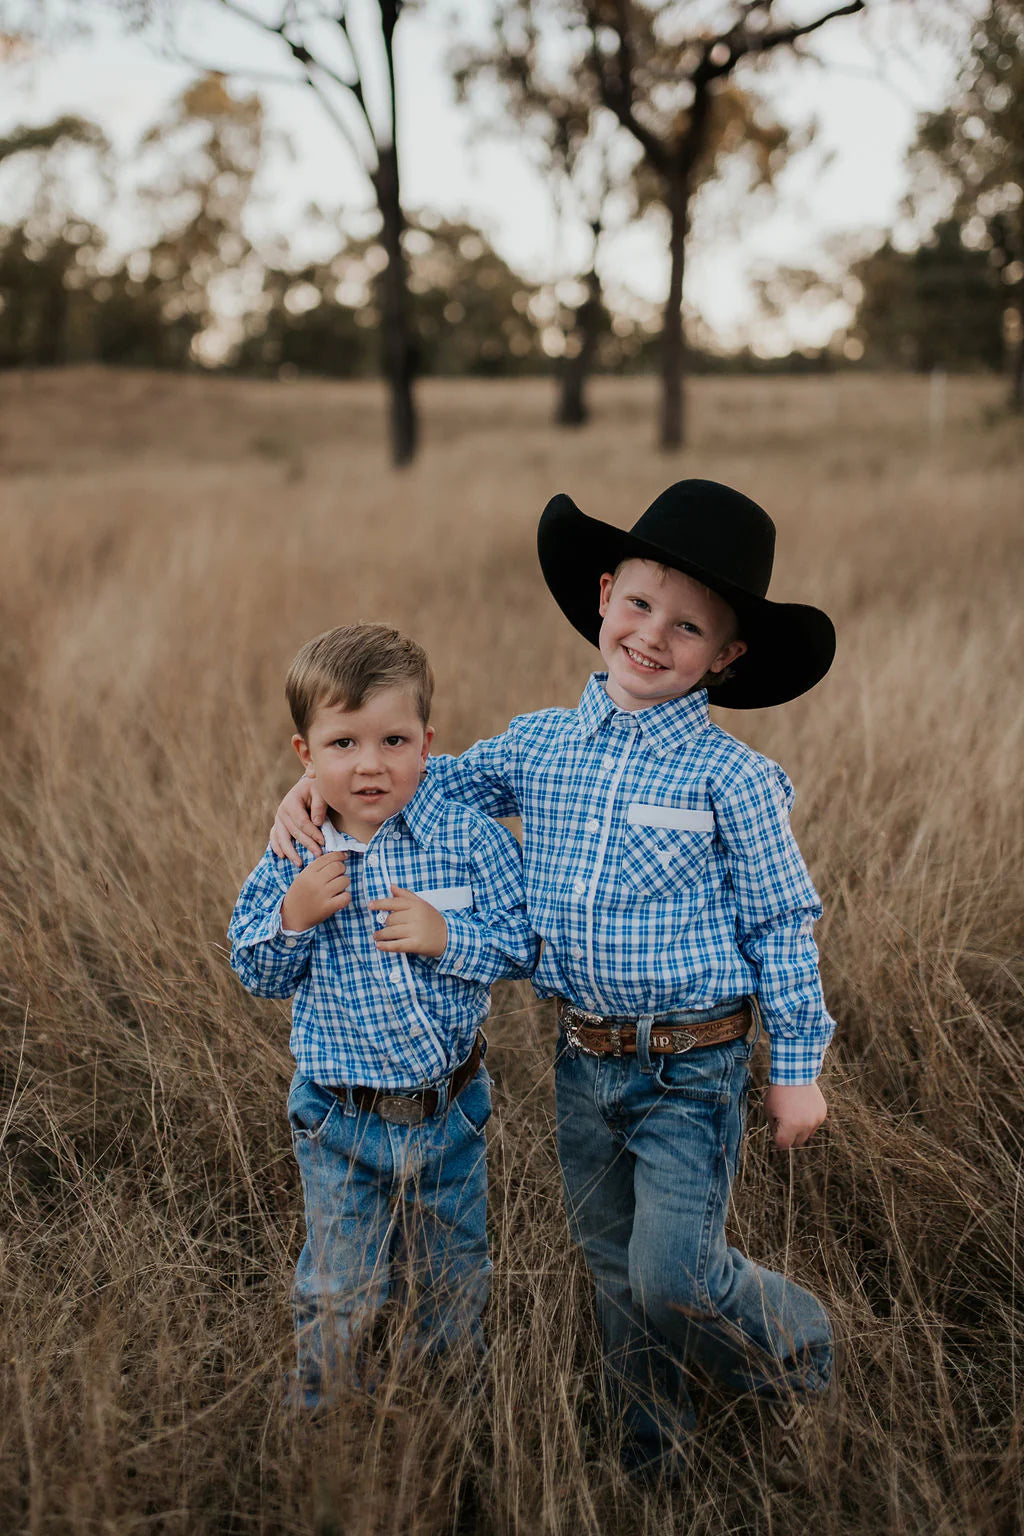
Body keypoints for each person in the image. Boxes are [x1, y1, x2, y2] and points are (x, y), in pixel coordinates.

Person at [270, 482, 838, 1484]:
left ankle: (795, 1341)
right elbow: (405, 776)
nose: (654, 637)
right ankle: (651, 1450)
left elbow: (779, 921)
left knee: (673, 1276)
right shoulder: (536, 746)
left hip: (689, 1067)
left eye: (690, 627)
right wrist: (309, 783)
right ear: (606, 594)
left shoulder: (731, 779)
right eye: (640, 606)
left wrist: (794, 1066)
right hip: (585, 1062)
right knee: (616, 1273)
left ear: (727, 655)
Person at [230, 623, 537, 1409]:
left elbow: (523, 945)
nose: (371, 764)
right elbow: (254, 969)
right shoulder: (296, 852)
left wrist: (449, 936)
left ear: (427, 742)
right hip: (340, 1121)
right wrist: (292, 918)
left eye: (394, 739)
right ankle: (325, 1423)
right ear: (306, 754)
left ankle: (452, 1420)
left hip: (452, 1114)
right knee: (340, 1289)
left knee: (455, 1281)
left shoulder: (468, 840)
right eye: (344, 744)